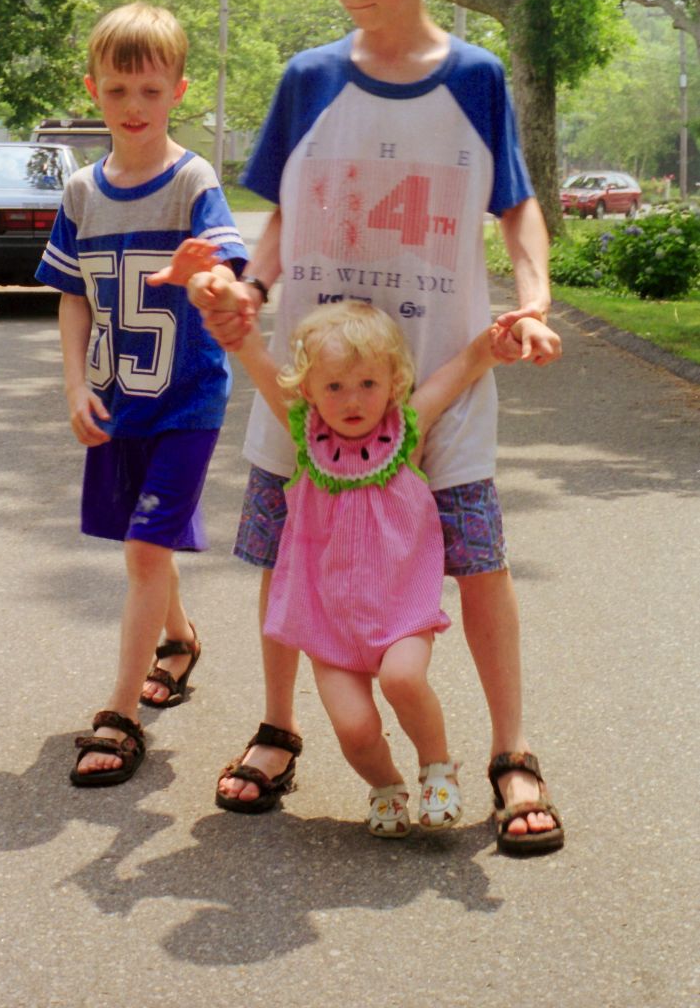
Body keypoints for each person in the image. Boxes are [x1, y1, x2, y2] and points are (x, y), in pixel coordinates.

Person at [202, 0, 565, 855]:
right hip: (314, 381)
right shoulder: (307, 78)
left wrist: (531, 301)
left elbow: (517, 205)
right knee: (287, 547)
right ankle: (278, 727)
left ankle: (510, 751)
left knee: (479, 564)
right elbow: (279, 216)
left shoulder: (475, 78)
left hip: (440, 381)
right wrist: (251, 291)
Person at [151, 250, 557, 835]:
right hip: (328, 620)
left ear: (393, 383)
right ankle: (386, 785)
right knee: (354, 727)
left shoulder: (406, 429)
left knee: (402, 680)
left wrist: (498, 342)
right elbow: (257, 359)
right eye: (335, 386)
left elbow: (460, 369)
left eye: (368, 384)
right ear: (310, 390)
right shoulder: (304, 435)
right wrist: (229, 319)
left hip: (401, 612)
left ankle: (437, 768)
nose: (352, 400)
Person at [35, 1, 248, 787]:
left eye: (150, 91)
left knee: (143, 548)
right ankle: (180, 641)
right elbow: (72, 295)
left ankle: (119, 715)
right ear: (93, 89)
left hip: (186, 403)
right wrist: (73, 385)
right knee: (143, 539)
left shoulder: (192, 180)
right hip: (116, 400)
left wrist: (206, 276)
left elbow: (226, 270)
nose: (133, 106)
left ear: (177, 93)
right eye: (118, 90)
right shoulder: (81, 192)